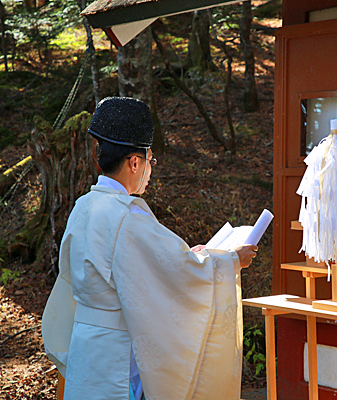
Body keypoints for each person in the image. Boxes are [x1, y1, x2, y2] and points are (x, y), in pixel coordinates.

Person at [41, 97, 258, 400]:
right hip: (118, 351)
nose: (151, 170)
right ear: (134, 162)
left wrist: (191, 257)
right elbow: (177, 277)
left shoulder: (84, 206)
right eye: (150, 161)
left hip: (86, 343)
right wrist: (231, 261)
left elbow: (140, 268)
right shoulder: (127, 216)